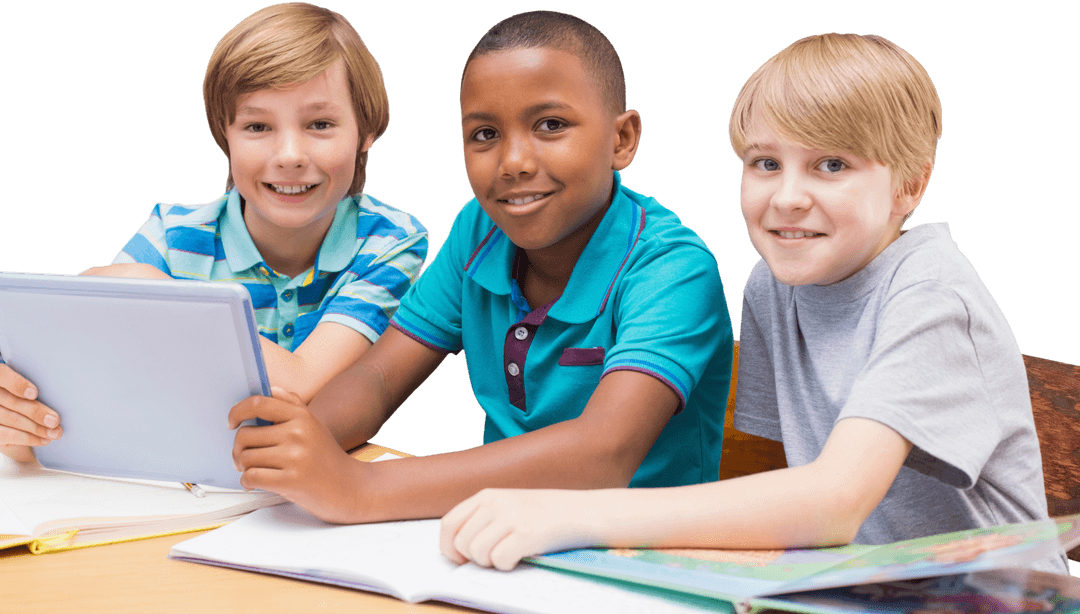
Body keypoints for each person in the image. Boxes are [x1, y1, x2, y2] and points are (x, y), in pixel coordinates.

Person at [439, 32, 1070, 575]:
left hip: (1001, 603)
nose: (788, 197)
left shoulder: (933, 299)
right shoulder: (774, 285)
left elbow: (832, 500)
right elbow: (778, 479)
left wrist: (565, 513)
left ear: (910, 184)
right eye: (765, 162)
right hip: (857, 589)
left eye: (830, 164)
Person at [226, 10, 733, 525]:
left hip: (641, 558)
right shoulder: (481, 231)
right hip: (498, 539)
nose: (513, 161)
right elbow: (378, 378)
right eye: (485, 134)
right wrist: (292, 450)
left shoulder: (672, 269)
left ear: (621, 140)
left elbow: (600, 455)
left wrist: (361, 488)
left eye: (550, 125)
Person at [0, 2, 427, 462]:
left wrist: (155, 295)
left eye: (320, 124)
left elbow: (302, 385)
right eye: (257, 126)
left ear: (367, 131)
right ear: (225, 136)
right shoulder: (172, 234)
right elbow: (87, 398)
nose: (289, 155)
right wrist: (23, 425)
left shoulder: (389, 241)